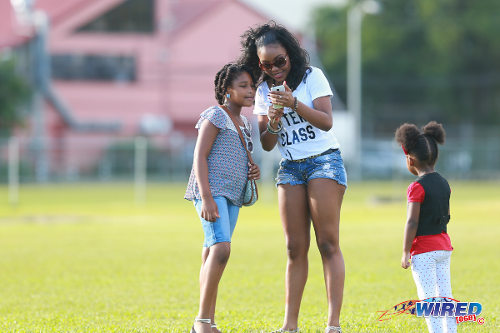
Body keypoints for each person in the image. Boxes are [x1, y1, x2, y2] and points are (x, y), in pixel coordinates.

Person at [239, 22, 347, 333]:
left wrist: (294, 104)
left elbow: (327, 122)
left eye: (280, 61)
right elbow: (268, 143)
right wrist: (272, 120)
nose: (274, 69)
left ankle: (333, 324)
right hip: (290, 166)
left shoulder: (312, 77)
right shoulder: (262, 91)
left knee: (327, 244)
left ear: (291, 55)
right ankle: (290, 326)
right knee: (293, 247)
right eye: (266, 64)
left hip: (323, 162)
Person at [184, 63, 260, 333]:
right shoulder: (215, 115)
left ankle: (208, 320)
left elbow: (237, 155)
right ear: (227, 91)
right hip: (212, 193)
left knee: (211, 251)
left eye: (252, 86)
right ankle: (202, 321)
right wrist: (206, 197)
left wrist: (252, 169)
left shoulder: (244, 123)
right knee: (221, 249)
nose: (250, 90)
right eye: (243, 86)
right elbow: (199, 156)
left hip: (233, 196)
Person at [395, 121, 456, 333]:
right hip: (443, 247)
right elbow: (446, 215)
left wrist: (405, 251)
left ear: (410, 160)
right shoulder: (444, 182)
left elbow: (412, 222)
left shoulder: (416, 187)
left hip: (424, 251)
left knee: (428, 298)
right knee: (445, 295)